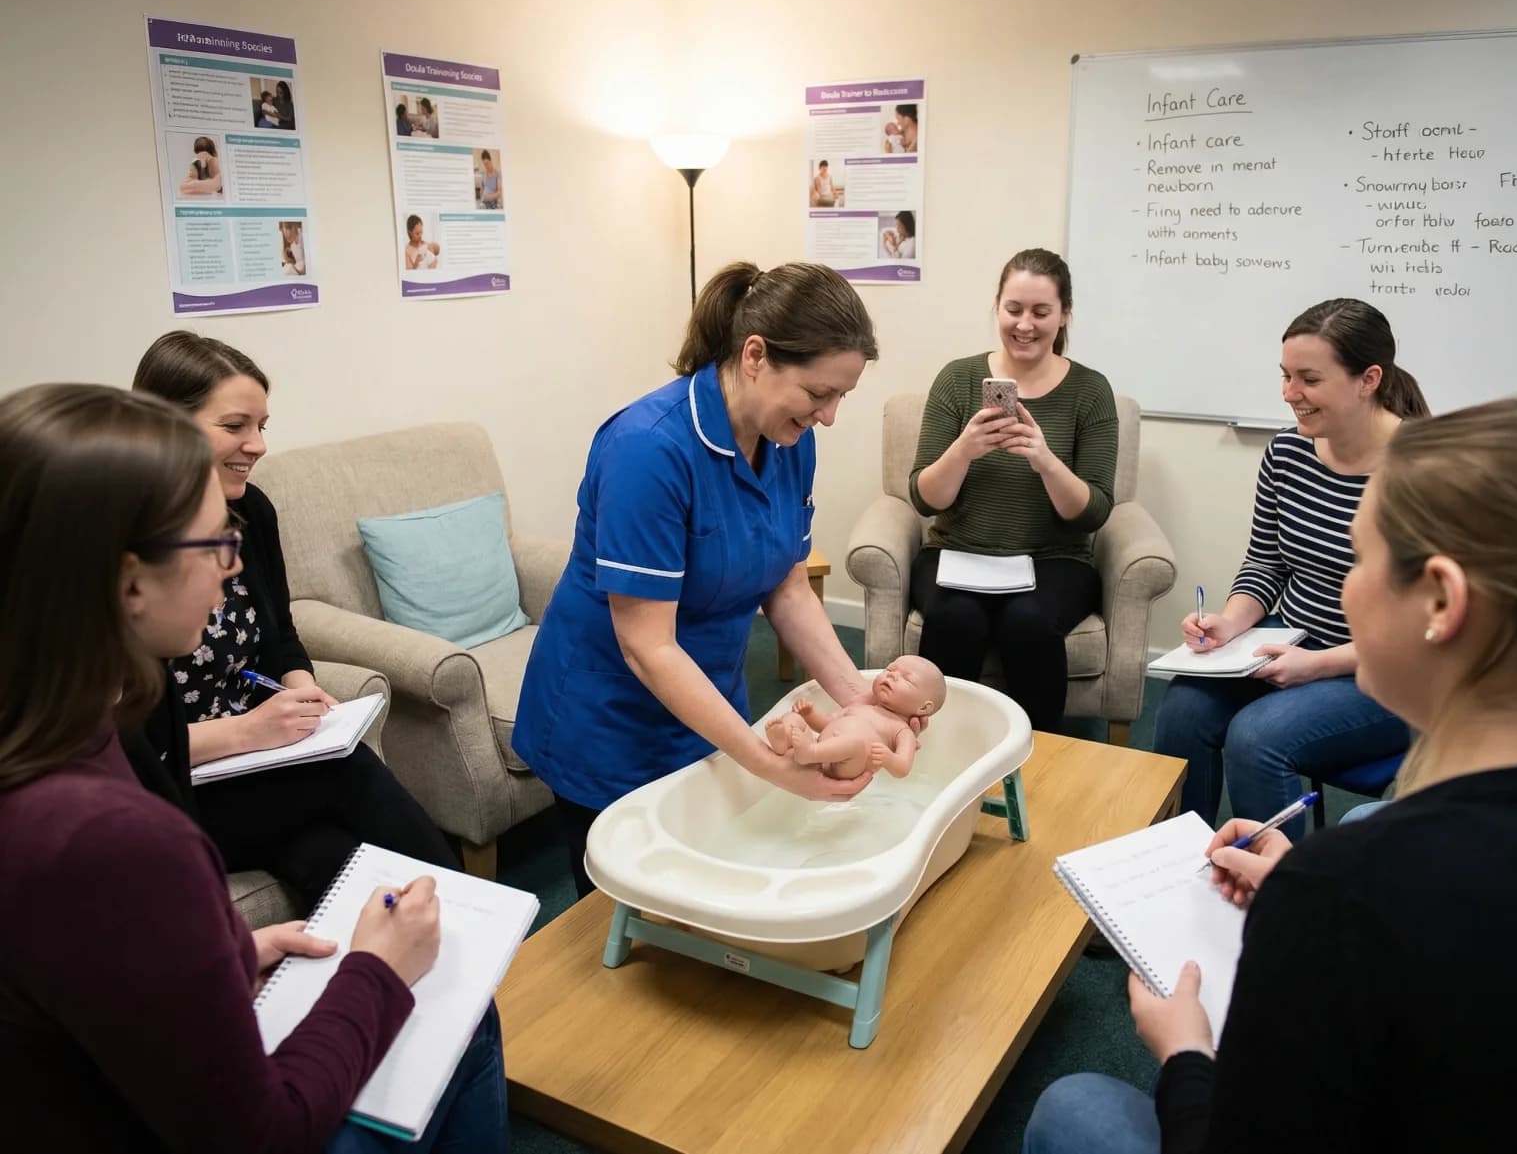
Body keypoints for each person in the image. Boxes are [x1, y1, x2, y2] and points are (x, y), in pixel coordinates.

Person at [1025, 387, 1517, 1153]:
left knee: (1072, 1106)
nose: (1344, 587)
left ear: (1441, 600)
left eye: (1361, 560)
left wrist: (1187, 1052)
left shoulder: (1348, 895)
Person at [0, 382, 506, 1153]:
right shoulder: (110, 836)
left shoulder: (61, 724)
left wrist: (235, 952)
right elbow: (263, 1135)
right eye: (214, 546)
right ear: (131, 581)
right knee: (463, 1024)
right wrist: (376, 969)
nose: (232, 570)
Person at [512, 260, 894, 895]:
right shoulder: (649, 449)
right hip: (610, 719)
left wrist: (861, 699)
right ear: (754, 356)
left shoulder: (790, 438)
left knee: (708, 891)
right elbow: (647, 645)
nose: (828, 416)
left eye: (841, 397)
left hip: (710, 698)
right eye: (819, 394)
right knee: (625, 915)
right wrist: (771, 766)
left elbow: (788, 586)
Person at [130, 332, 459, 908]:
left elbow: (280, 633)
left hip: (259, 763)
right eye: (235, 426)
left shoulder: (253, 510)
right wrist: (246, 732)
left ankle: (441, 954)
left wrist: (303, 692)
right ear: (165, 426)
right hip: (176, 788)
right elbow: (126, 752)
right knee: (345, 775)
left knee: (330, 858)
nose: (256, 445)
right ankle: (470, 913)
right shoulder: (121, 561)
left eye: (262, 426)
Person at [1152, 299, 1428, 839]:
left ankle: (1279, 901)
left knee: (1257, 737)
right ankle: (1175, 871)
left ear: (1368, 379)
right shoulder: (1287, 454)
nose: (1288, 393)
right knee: (1182, 709)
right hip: (1293, 642)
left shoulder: (1426, 470)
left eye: (1308, 379)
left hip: (1390, 671)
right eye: (1284, 375)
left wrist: (1320, 664)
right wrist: (1230, 622)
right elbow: (1266, 562)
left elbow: (1425, 630)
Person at [908, 248, 1117, 733]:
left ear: (1064, 315)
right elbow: (924, 498)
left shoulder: (1090, 390)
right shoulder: (957, 379)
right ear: (997, 308)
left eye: (1041, 312)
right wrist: (963, 450)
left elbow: (1092, 513)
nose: (1025, 325)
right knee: (958, 621)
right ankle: (939, 748)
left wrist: (1045, 460)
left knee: (1028, 623)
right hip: (957, 551)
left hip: (1053, 560)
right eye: (1014, 309)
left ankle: (1037, 755)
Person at [766, 655, 945, 779]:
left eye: (906, 679)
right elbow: (827, 725)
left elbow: (903, 768)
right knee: (793, 717)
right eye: (890, 669)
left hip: (846, 765)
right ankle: (783, 742)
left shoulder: (902, 730)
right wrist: (809, 715)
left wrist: (888, 758)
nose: (892, 675)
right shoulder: (860, 707)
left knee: (856, 744)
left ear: (923, 707)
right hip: (821, 747)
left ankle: (810, 753)